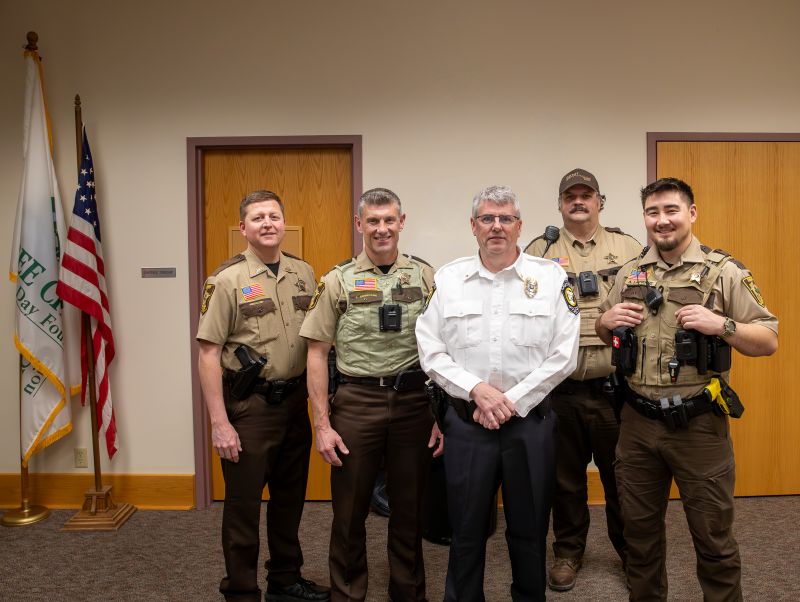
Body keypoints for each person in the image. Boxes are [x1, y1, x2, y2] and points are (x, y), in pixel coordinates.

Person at [596, 177, 778, 601]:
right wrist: (605, 324)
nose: (662, 221)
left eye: (671, 210)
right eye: (653, 212)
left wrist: (723, 325)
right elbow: (609, 329)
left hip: (698, 427)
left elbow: (769, 340)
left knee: (713, 541)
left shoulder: (723, 272)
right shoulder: (629, 273)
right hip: (637, 424)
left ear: (691, 214)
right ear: (645, 218)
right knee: (639, 542)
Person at [416, 185, 580, 601]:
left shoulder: (550, 277)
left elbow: (565, 355)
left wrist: (511, 401)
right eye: (487, 218)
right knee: (466, 529)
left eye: (505, 218)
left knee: (529, 528)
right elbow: (430, 349)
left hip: (530, 424)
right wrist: (478, 392)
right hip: (468, 423)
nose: (496, 227)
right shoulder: (449, 278)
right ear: (473, 226)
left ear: (519, 226)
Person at [300, 187, 443, 602]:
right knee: (348, 511)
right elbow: (316, 351)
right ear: (359, 224)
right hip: (357, 402)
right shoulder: (336, 279)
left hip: (414, 401)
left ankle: (408, 592)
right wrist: (321, 425)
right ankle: (347, 594)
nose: (382, 229)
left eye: (389, 220)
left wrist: (440, 416)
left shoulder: (424, 276)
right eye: (373, 221)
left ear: (402, 222)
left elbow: (443, 346)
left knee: (409, 508)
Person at [197, 190, 330, 602]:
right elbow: (207, 352)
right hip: (250, 408)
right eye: (258, 217)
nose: (268, 223)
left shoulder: (304, 273)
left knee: (290, 502)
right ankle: (241, 590)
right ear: (244, 227)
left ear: (283, 222)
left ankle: (285, 580)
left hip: (294, 405)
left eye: (274, 215)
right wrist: (220, 423)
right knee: (243, 508)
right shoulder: (227, 280)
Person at [525, 168, 641, 591]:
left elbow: (645, 306)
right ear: (560, 203)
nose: (578, 201)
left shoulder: (627, 247)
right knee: (565, 479)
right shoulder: (540, 250)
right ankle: (568, 552)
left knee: (622, 478)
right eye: (570, 195)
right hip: (561, 389)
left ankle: (632, 553)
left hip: (614, 389)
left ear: (600, 201)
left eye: (586, 194)